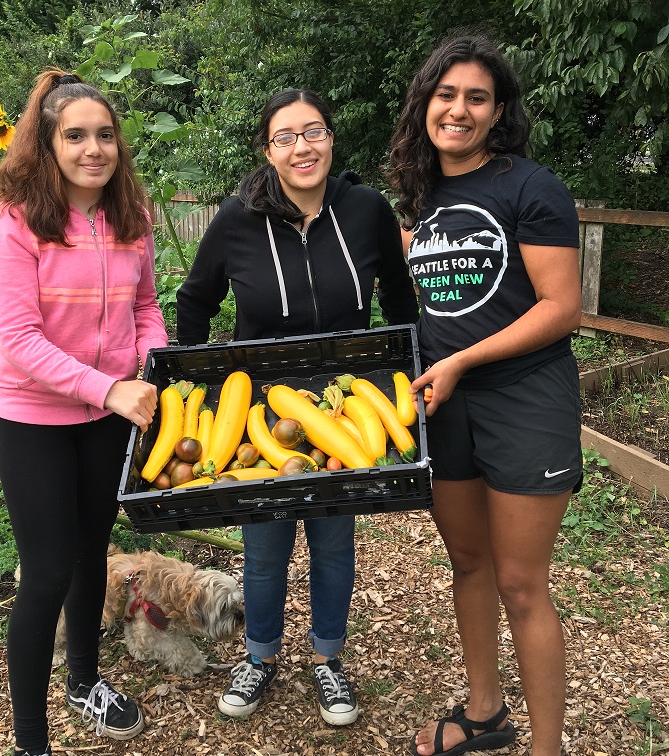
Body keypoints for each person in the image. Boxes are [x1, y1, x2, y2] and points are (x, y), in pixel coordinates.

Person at [176, 89, 419, 725]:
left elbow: (397, 294)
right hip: (259, 405)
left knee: (334, 540)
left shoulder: (365, 209)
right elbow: (195, 298)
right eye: (285, 137)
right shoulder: (236, 219)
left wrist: (405, 371)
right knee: (265, 541)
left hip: (345, 402)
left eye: (313, 132)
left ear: (332, 140)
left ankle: (328, 660)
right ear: (268, 151)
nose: (301, 146)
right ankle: (258, 656)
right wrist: (193, 385)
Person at [388, 32, 582, 756]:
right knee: (468, 563)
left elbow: (562, 306)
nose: (459, 110)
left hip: (524, 397)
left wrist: (465, 358)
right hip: (447, 402)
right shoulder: (421, 199)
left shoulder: (530, 186)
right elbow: (428, 305)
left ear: (498, 112)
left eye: (477, 98)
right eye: (447, 95)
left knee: (521, 583)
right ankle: (484, 712)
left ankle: (547, 748)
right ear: (426, 103)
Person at [0, 68, 168, 756]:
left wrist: (149, 366)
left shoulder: (132, 217)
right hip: (35, 418)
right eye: (76, 136)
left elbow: (146, 308)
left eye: (105, 135)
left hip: (108, 418)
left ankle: (85, 680)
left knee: (94, 555)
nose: (94, 149)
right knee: (49, 570)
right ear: (47, 143)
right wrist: (107, 386)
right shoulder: (16, 222)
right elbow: (19, 339)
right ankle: (31, 740)